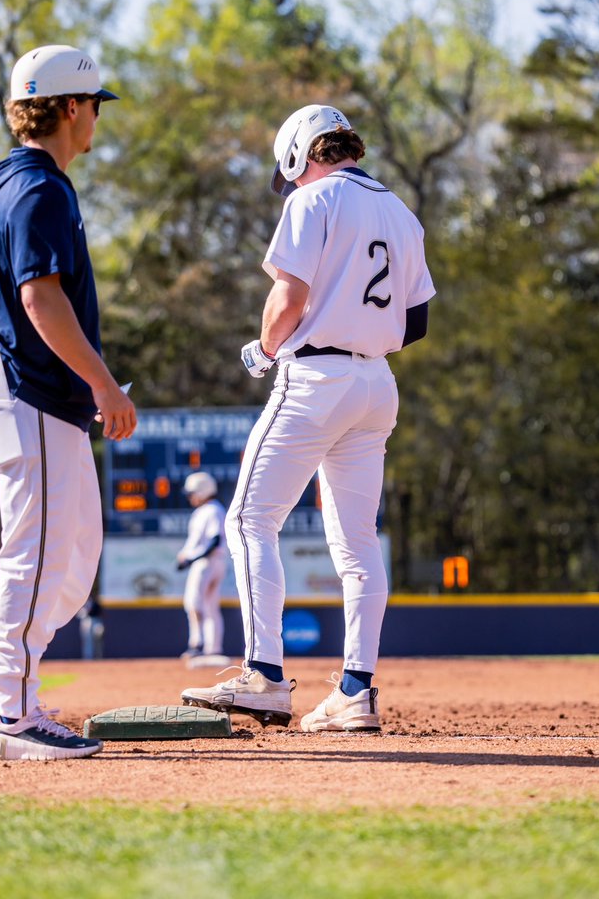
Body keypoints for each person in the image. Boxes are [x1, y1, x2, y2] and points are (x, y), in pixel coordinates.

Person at [181, 104, 435, 732]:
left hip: (315, 378)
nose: (290, 182)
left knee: (249, 519)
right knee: (358, 544)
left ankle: (263, 676)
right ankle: (356, 691)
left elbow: (288, 298)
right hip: (376, 384)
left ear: (301, 153)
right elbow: (417, 322)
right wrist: (361, 334)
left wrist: (265, 350)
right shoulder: (402, 213)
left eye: (290, 171)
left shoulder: (312, 200)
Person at [0, 44, 136, 762]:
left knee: (75, 551)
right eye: (94, 104)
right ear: (69, 107)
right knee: (36, 553)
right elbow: (40, 299)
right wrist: (101, 381)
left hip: (38, 393)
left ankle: (1, 688)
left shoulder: (33, 184)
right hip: (30, 386)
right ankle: (13, 712)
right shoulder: (38, 189)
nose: (97, 117)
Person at [176, 471, 228, 662]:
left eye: (192, 493)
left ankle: (197, 644)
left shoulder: (212, 510)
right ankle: (213, 648)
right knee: (209, 606)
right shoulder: (207, 510)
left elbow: (214, 541)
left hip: (207, 563)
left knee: (194, 603)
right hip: (211, 562)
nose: (190, 497)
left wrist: (191, 559)